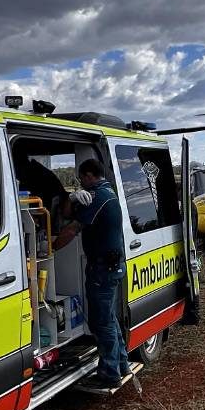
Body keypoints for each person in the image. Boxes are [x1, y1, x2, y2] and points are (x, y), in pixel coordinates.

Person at [53, 158, 130, 390]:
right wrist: (73, 197)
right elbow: (68, 211)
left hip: (102, 270)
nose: (81, 184)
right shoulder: (107, 192)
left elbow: (72, 227)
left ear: (88, 175)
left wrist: (51, 248)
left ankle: (109, 373)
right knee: (110, 319)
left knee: (101, 322)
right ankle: (122, 364)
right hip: (111, 267)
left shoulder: (98, 197)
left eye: (81, 179)